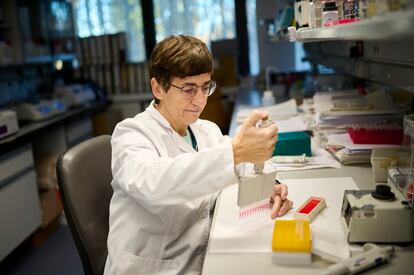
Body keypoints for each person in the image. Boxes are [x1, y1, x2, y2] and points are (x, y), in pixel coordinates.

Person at [104, 35, 293, 275]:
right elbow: (153, 183)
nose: (201, 99)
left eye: (206, 87)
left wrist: (268, 187)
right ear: (158, 88)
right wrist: (235, 153)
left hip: (201, 255)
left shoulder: (206, 130)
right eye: (188, 89)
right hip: (155, 267)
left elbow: (236, 166)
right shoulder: (131, 134)